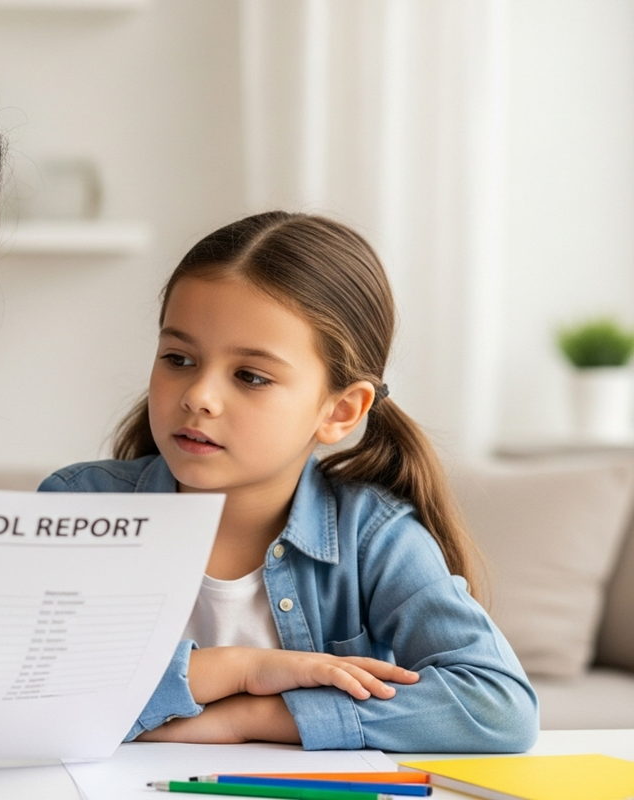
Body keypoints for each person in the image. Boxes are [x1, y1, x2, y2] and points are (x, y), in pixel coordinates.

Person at [40, 212, 539, 752]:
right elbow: (34, 697)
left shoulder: (374, 539)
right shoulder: (81, 507)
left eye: (251, 376)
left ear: (341, 411)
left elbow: (496, 706)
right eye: (178, 359)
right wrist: (237, 669)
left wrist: (255, 717)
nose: (198, 396)